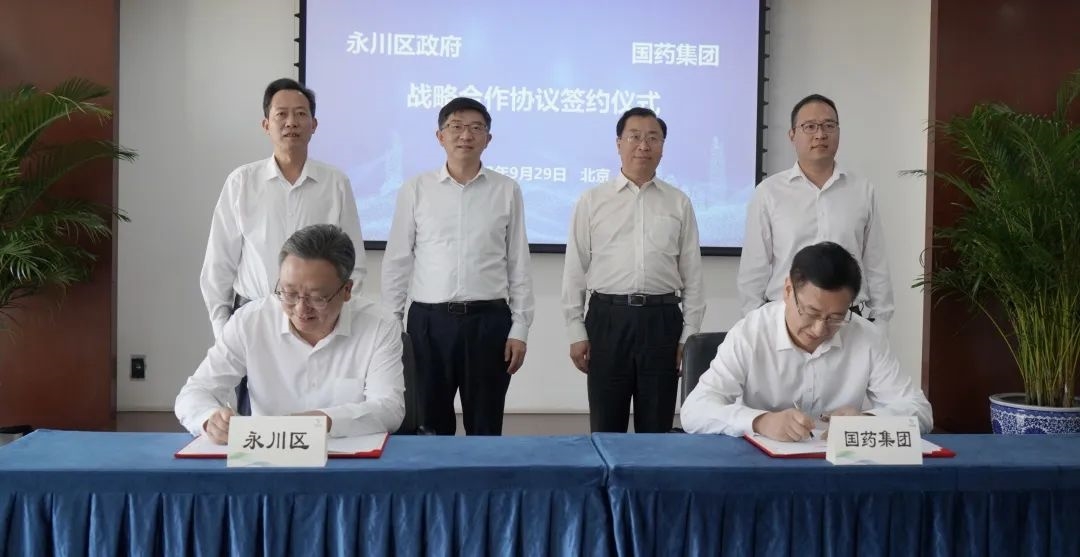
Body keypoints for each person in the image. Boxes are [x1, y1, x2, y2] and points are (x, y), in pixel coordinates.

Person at [381, 97, 534, 436]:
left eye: (476, 128)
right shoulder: (416, 189)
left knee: (486, 426)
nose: (466, 135)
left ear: (488, 139)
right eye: (456, 127)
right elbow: (397, 261)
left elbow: (518, 264)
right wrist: (392, 325)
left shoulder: (506, 190)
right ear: (440, 136)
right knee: (429, 425)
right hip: (428, 324)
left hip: (489, 323)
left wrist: (520, 329)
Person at [176, 224, 403, 443]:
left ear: (346, 290)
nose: (301, 309)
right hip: (267, 456)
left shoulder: (379, 326)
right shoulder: (250, 321)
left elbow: (389, 408)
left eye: (317, 298)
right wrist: (210, 420)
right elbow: (194, 392)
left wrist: (322, 422)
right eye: (289, 293)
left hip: (348, 458)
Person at [682, 242, 931, 440]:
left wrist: (867, 420)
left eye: (836, 317)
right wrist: (760, 421)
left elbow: (920, 411)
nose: (819, 329)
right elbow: (695, 411)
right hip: (764, 469)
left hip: (839, 470)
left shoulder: (866, 337)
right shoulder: (751, 333)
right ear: (788, 290)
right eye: (811, 312)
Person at [562, 107, 705, 433]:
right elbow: (574, 270)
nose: (644, 145)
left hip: (662, 322)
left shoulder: (679, 202)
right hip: (607, 320)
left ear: (662, 146)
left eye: (653, 138)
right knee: (606, 426)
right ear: (618, 143)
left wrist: (689, 336)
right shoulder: (592, 201)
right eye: (635, 137)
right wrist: (575, 331)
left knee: (656, 427)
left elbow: (693, 275)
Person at [200, 77, 366, 341]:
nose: (291, 122)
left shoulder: (336, 183)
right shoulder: (241, 182)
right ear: (266, 125)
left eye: (300, 114)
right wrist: (223, 333)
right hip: (253, 319)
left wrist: (336, 324)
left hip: (317, 320)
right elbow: (218, 266)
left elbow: (354, 262)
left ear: (314, 125)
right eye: (281, 114)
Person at [737, 94, 893, 326]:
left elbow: (876, 264)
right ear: (792, 134)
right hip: (786, 318)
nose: (820, 134)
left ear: (838, 131)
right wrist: (756, 326)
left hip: (847, 320)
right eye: (810, 126)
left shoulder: (861, 190)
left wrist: (880, 324)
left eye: (829, 125)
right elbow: (753, 270)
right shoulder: (769, 192)